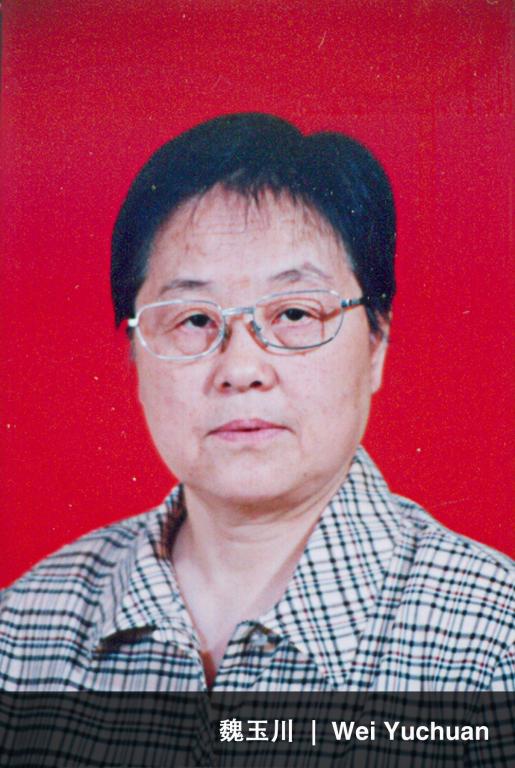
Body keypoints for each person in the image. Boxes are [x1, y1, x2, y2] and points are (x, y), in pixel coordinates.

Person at [0, 113, 513, 693]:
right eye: (194, 320)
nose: (241, 370)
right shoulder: (22, 635)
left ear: (376, 343)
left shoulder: (494, 644)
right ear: (135, 354)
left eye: (294, 313)